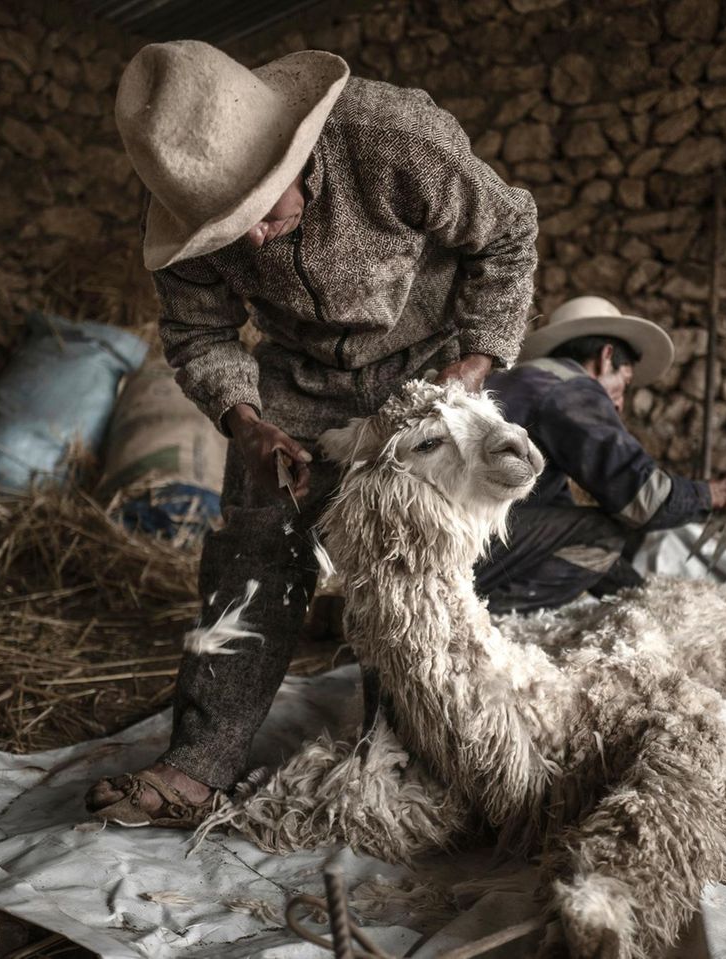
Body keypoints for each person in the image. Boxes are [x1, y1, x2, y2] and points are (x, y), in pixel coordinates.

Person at [85, 41, 538, 825]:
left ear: (294, 151)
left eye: (259, 210)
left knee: (407, 556)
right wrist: (247, 423)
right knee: (252, 550)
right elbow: (200, 337)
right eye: (228, 230)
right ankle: (201, 761)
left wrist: (471, 368)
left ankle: (402, 752)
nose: (252, 241)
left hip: (424, 370)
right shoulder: (187, 203)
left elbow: (507, 235)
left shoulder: (394, 140)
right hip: (295, 382)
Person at [474, 295, 726, 613]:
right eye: (624, 384)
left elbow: (562, 524)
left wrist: (644, 600)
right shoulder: (569, 387)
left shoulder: (523, 382)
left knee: (594, 532)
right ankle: (490, 621)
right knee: (605, 531)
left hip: (460, 541)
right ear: (605, 357)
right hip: (470, 546)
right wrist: (720, 494)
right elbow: (644, 502)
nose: (618, 404)